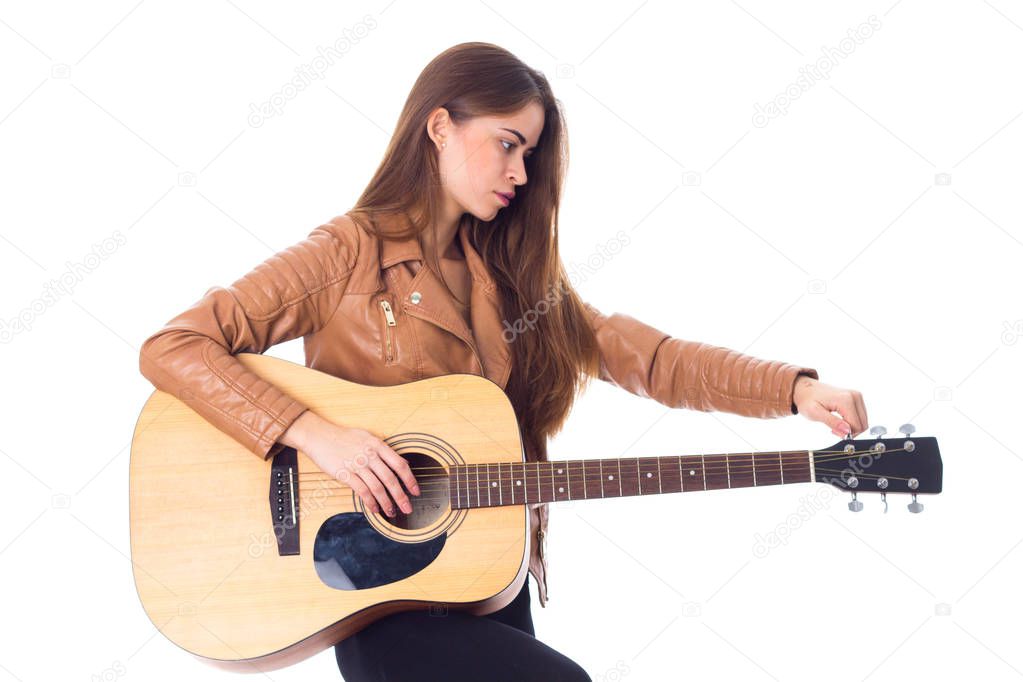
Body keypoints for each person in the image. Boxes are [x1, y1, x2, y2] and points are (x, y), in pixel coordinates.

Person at [138, 42, 868, 682]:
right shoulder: (347, 254)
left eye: (531, 153)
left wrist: (792, 389)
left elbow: (646, 357)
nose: (521, 172)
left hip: (487, 579)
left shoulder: (511, 278)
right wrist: (315, 434)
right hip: (372, 595)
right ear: (439, 126)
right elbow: (175, 346)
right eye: (508, 143)